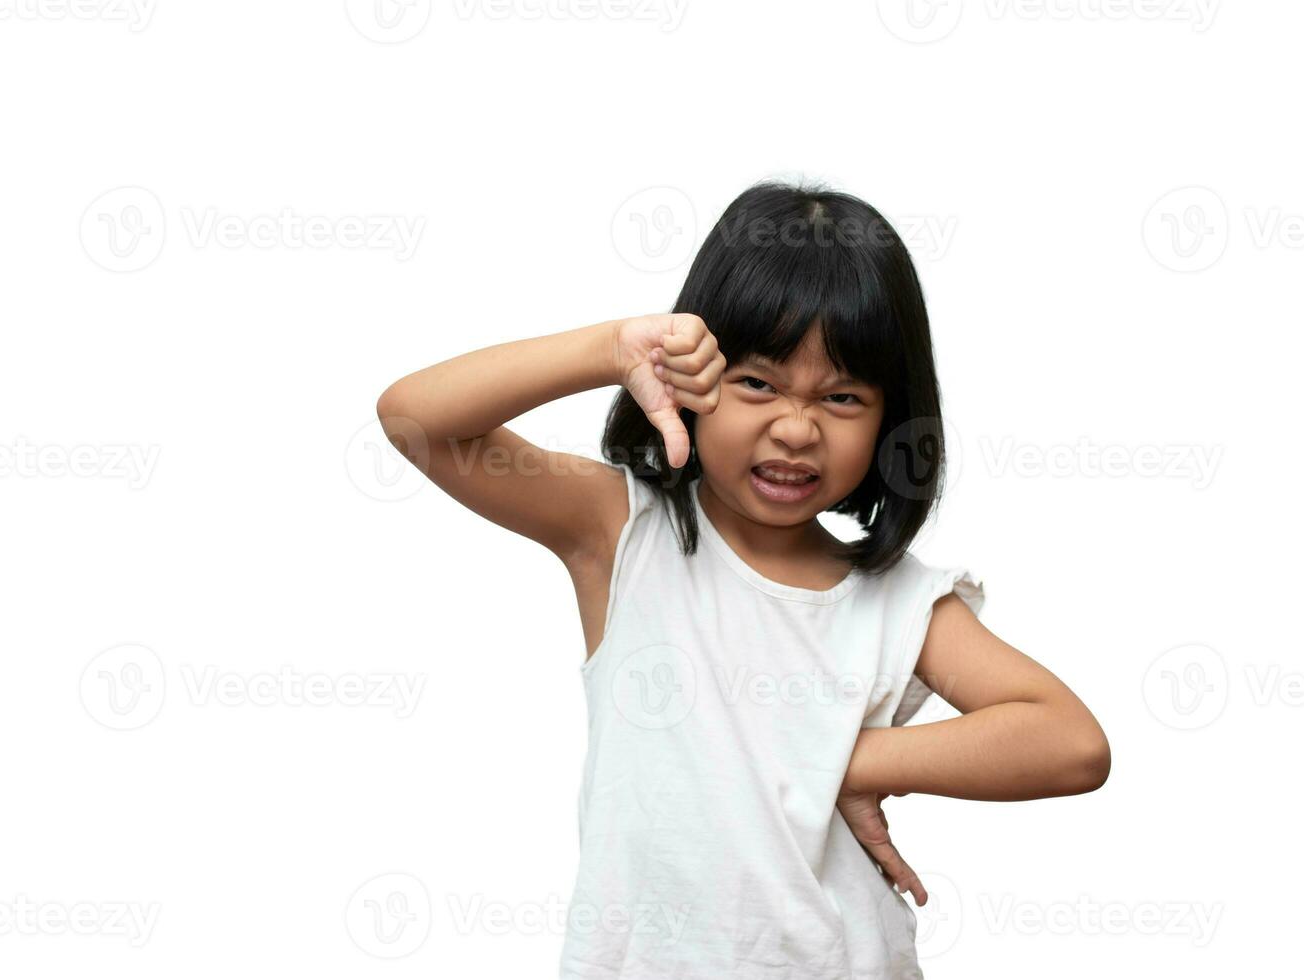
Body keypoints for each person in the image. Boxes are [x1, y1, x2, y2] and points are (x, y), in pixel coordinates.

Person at [375, 179, 1111, 978]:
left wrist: (853, 761)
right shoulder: (620, 534)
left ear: (890, 417)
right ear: (688, 381)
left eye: (841, 396)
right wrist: (611, 349)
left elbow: (1071, 744)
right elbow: (416, 418)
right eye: (757, 383)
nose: (796, 428)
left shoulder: (895, 600)